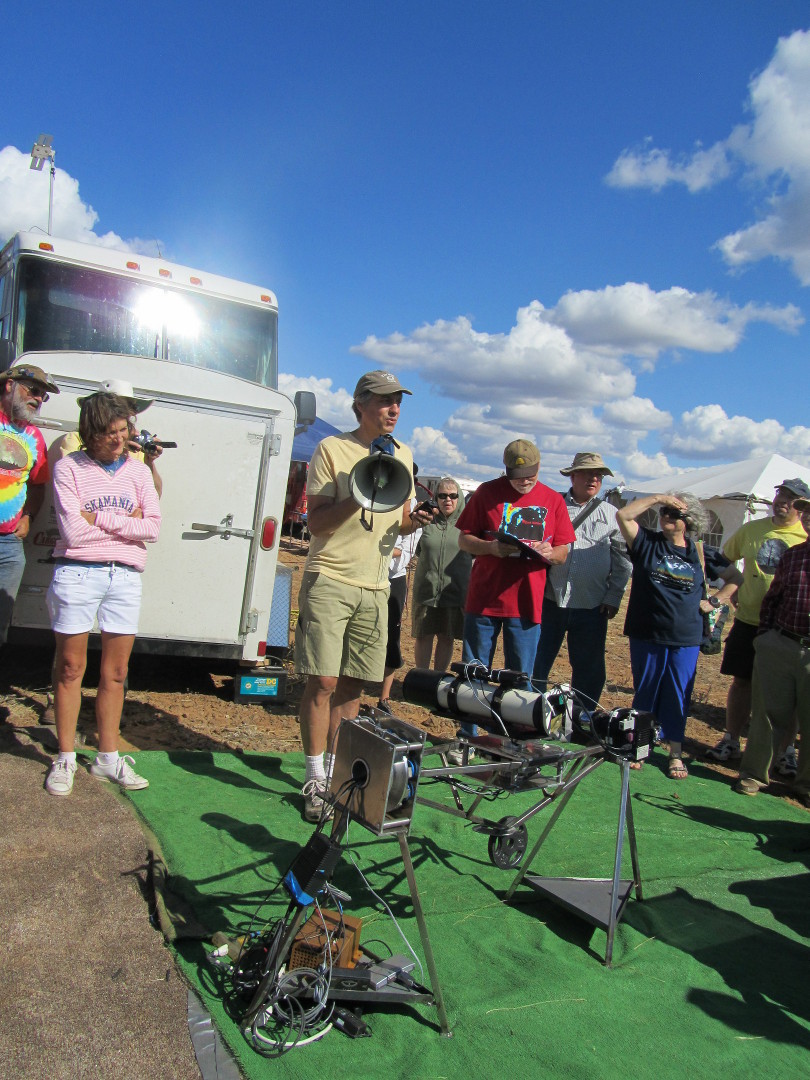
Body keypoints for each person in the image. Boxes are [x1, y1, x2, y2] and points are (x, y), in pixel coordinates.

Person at [294, 371, 433, 821]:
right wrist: (359, 495)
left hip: (377, 585)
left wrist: (420, 519)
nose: (393, 410)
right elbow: (315, 524)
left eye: (398, 402)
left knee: (353, 685)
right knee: (323, 681)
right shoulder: (332, 449)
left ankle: (336, 775)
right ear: (360, 406)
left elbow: (401, 521)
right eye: (384, 401)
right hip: (332, 577)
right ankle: (314, 775)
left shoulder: (404, 455)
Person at [44, 393, 161, 796]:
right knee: (70, 668)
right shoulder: (68, 469)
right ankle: (65, 756)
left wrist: (97, 517)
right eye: (109, 433)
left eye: (123, 430)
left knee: (116, 673)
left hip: (125, 577)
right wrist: (124, 522)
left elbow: (152, 528)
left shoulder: (139, 473)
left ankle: (107, 758)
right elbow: (73, 532)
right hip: (76, 574)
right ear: (89, 433)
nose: (118, 439)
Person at [616, 491, 740, 779]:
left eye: (673, 514)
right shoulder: (647, 542)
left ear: (689, 521)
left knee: (678, 694)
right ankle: (640, 748)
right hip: (647, 632)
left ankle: (675, 753)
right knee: (645, 691)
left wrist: (715, 600)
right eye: (664, 512)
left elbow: (737, 579)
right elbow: (623, 515)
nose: (665, 517)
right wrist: (660, 497)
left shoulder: (700, 552)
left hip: (686, 636)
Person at [706, 478, 810, 771]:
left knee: (788, 695)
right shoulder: (752, 530)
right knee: (742, 682)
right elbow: (722, 559)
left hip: (787, 629)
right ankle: (731, 738)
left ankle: (785, 750)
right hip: (749, 620)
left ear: (800, 506)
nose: (782, 502)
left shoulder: (805, 535)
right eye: (780, 495)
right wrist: (733, 589)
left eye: (790, 498)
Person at [456, 440, 574, 676]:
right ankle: (475, 713)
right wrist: (490, 548)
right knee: (473, 676)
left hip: (527, 603)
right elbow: (464, 539)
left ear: (539, 467)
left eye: (529, 475)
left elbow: (563, 551)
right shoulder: (486, 493)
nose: (524, 481)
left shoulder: (553, 500)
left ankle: (510, 714)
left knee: (520, 679)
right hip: (484, 600)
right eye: (517, 476)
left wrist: (551, 553)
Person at [533, 451, 631, 709]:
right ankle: (532, 712)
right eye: (588, 473)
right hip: (549, 600)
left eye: (598, 475)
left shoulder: (612, 515)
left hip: (592, 605)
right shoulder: (552, 507)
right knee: (537, 662)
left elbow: (623, 562)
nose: (594, 479)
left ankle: (583, 718)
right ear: (573, 476)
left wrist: (613, 596)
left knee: (589, 669)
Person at [733, 496, 810, 807]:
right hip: (781, 643)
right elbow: (773, 599)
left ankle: (805, 784)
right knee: (765, 713)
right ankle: (753, 774)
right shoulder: (792, 557)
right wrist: (765, 637)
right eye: (808, 512)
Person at [0, 364, 59, 647]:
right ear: (10, 385)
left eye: (43, 396)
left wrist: (29, 517)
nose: (38, 398)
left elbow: (37, 485)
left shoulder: (34, 437)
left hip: (9, 545)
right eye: (32, 390)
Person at [411, 476, 472, 672]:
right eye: (443, 495)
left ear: (459, 497)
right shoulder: (426, 520)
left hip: (454, 592)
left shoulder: (468, 524)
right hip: (426, 590)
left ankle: (437, 679)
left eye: (453, 496)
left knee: (447, 636)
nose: (448, 500)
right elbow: (418, 550)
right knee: (423, 635)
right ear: (436, 497)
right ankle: (422, 676)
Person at [377, 513, 421, 713]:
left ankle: (384, 698)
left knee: (391, 636)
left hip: (394, 580)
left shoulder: (414, 518)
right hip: (367, 575)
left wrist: (376, 549)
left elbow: (402, 558)